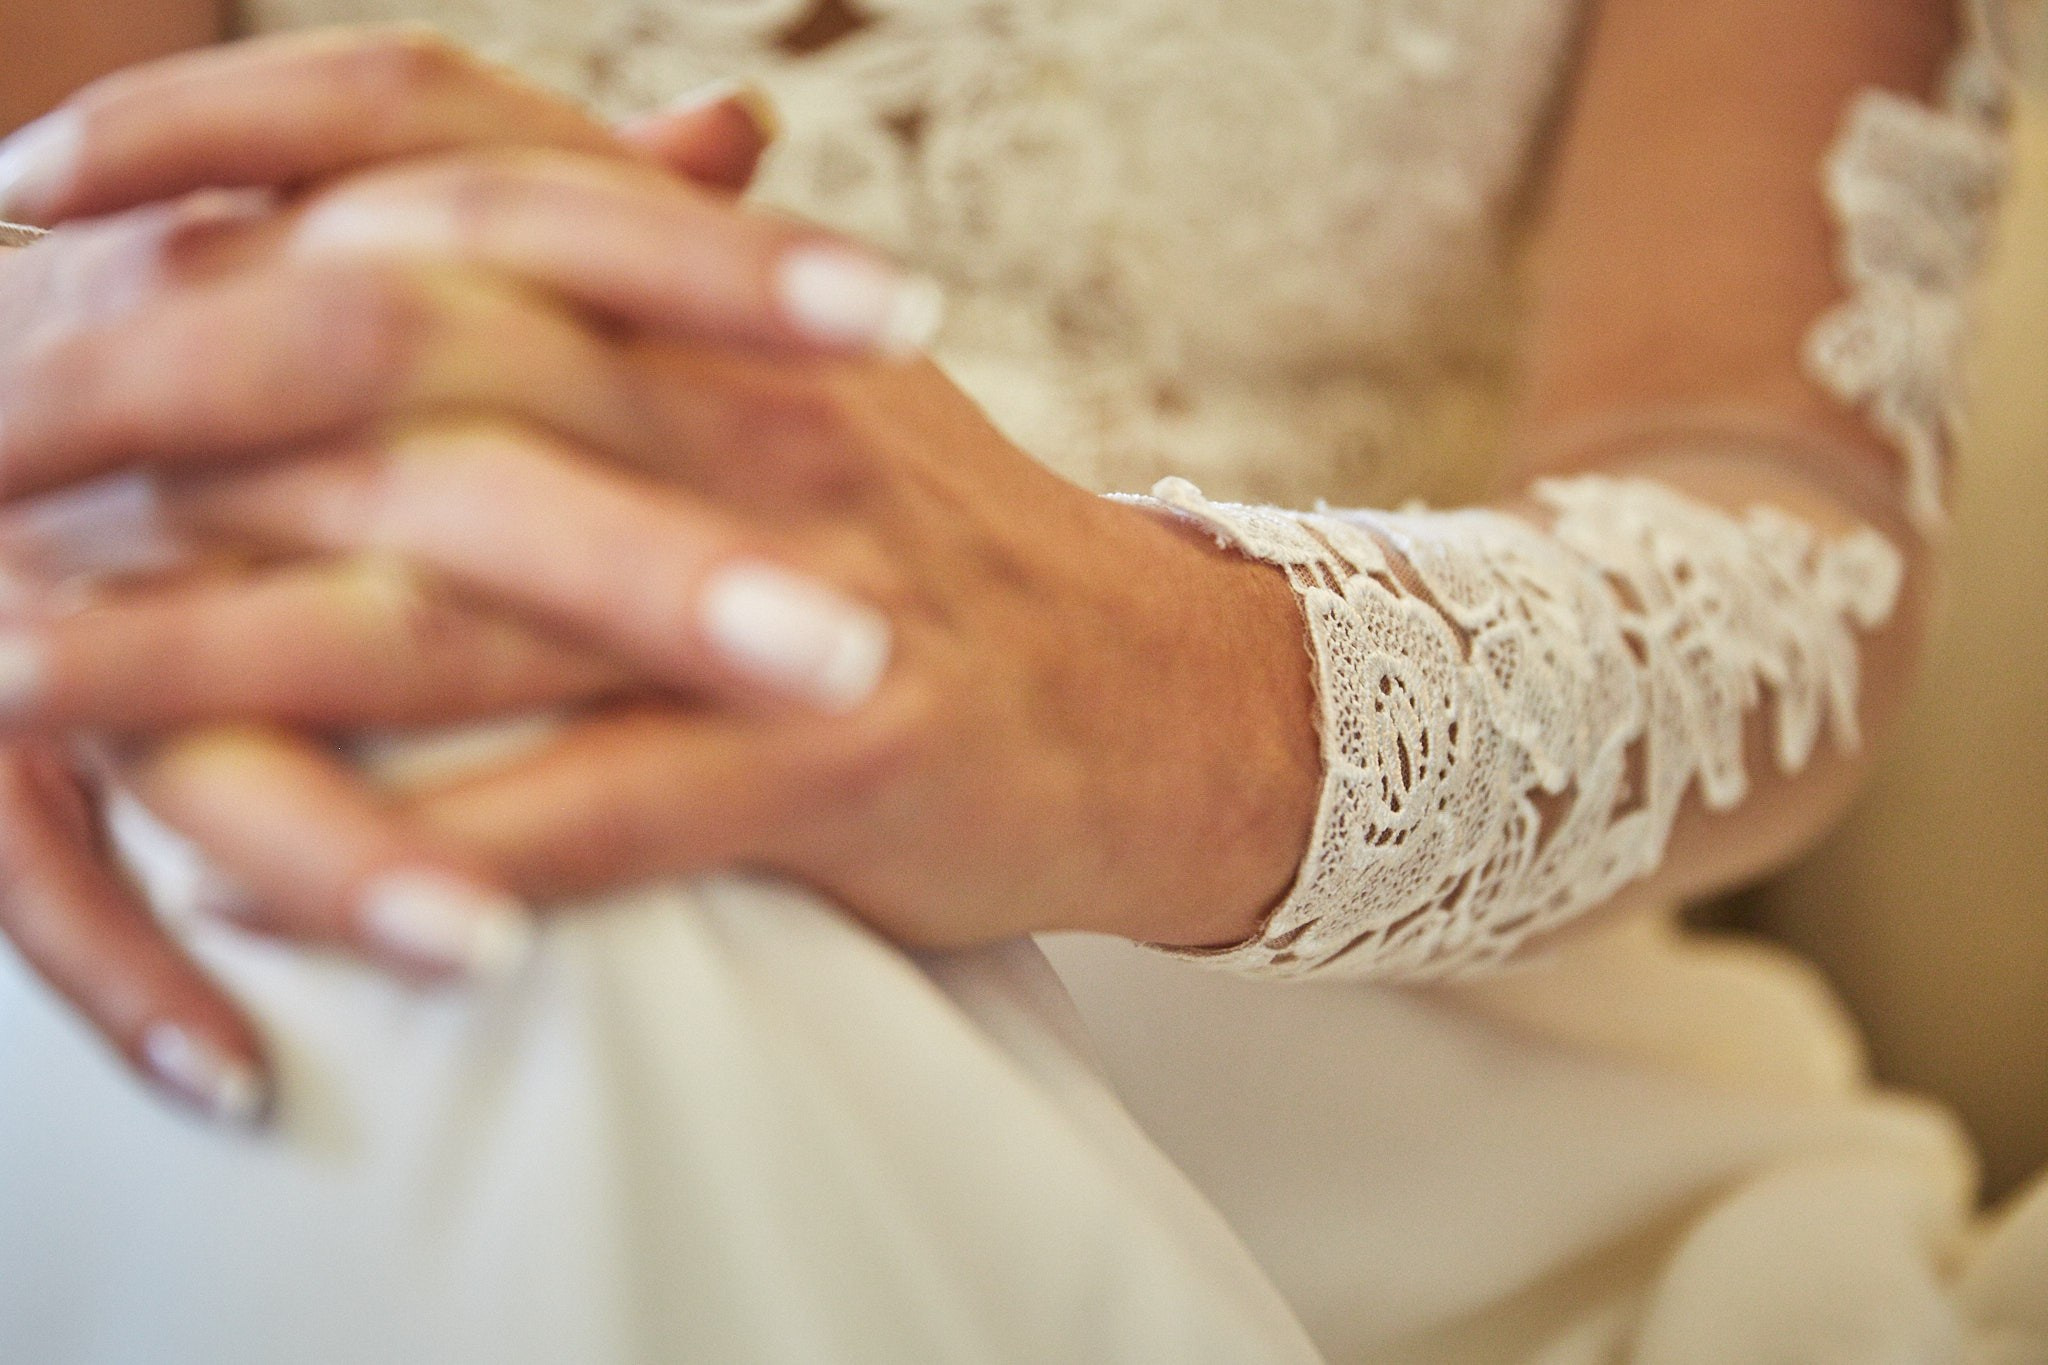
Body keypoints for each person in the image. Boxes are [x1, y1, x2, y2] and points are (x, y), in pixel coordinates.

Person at [0, 1, 2042, 1360]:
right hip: (218, 742)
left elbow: (1782, 512)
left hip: (1356, 1053)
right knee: (439, 810)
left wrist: (1169, 692)